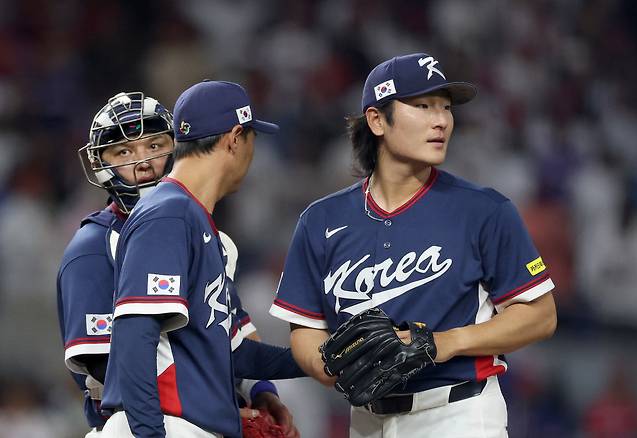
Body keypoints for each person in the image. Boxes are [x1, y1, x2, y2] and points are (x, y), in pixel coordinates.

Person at [269, 53, 557, 438]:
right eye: (422, 106)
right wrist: (329, 366)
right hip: (368, 421)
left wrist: (446, 343)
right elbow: (304, 329)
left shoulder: (484, 210)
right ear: (376, 120)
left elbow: (541, 315)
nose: (440, 120)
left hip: (458, 413)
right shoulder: (321, 220)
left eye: (445, 107)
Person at [57, 90, 301, 437]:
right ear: (100, 164)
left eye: (154, 145)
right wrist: (219, 403)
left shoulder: (205, 232)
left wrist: (261, 392)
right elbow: (106, 368)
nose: (142, 162)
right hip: (149, 423)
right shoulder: (93, 248)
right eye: (123, 151)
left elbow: (227, 338)